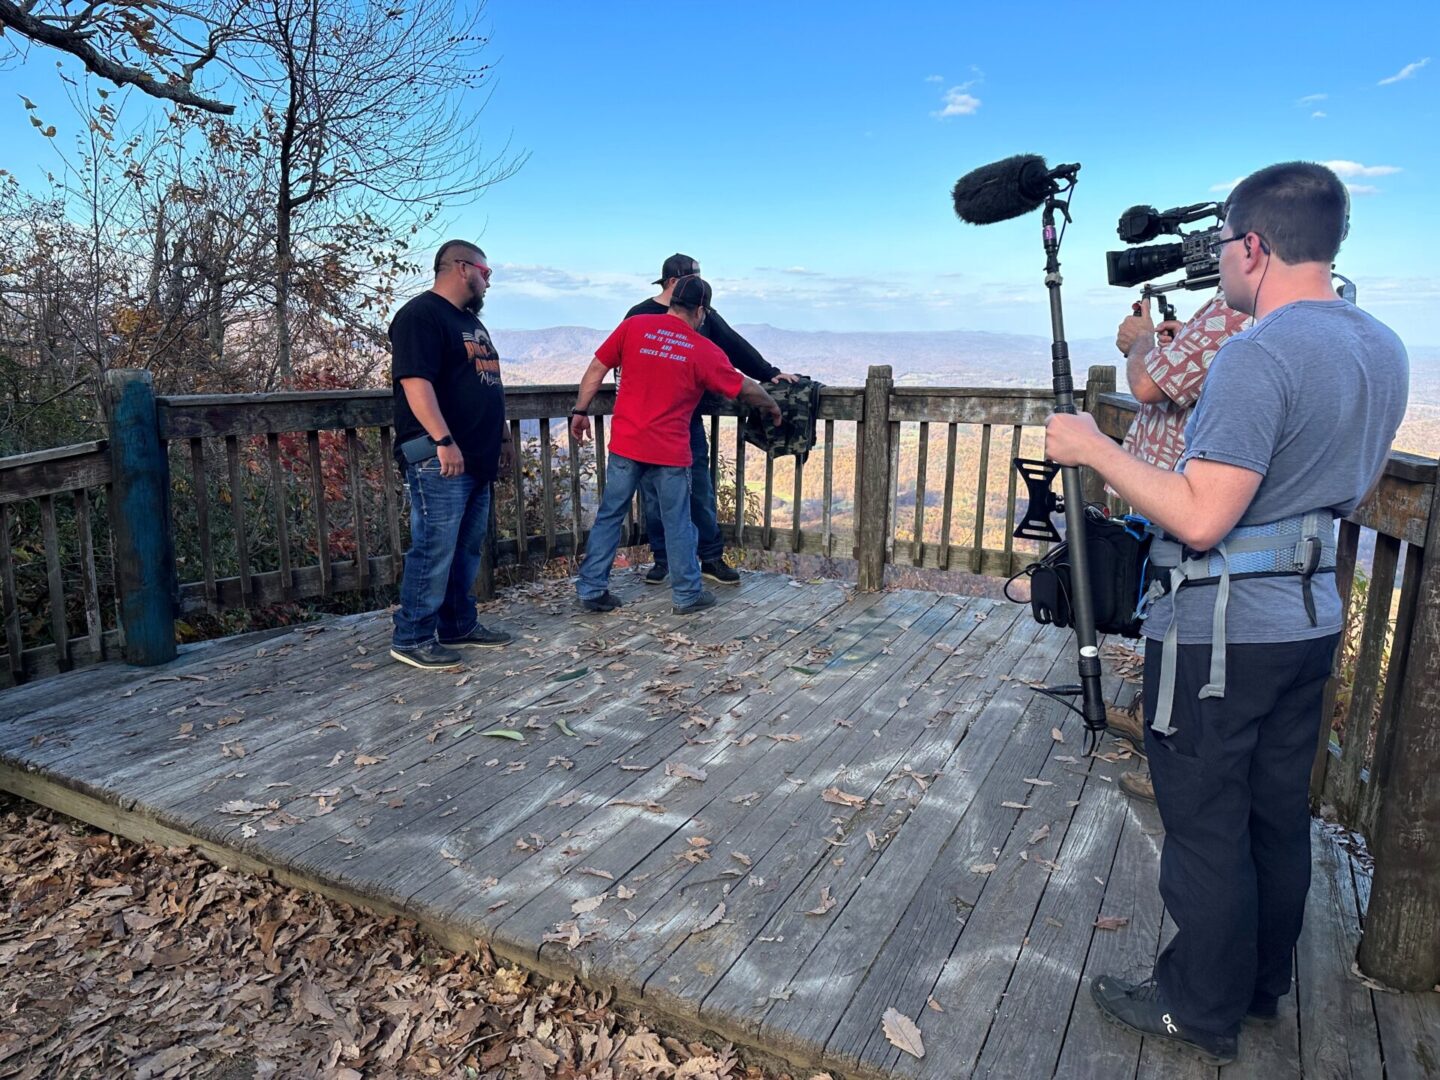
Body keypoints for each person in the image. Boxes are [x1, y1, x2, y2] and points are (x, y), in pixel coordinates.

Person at [1045, 162, 1408, 1065]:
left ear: (1255, 246)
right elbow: (1344, 487)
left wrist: (1092, 445)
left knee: (1206, 820)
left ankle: (1195, 1010)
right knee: (1275, 814)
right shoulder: (1383, 346)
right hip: (1311, 616)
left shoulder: (1259, 353)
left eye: (1223, 256)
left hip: (1220, 634)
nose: (1220, 274)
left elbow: (1204, 513)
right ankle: (1256, 987)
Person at [1105, 293, 1252, 802]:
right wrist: (1177, 341)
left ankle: (1169, 764)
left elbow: (1148, 384)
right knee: (1163, 615)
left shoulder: (1237, 312)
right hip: (1176, 498)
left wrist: (1139, 344)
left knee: (1178, 627)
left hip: (1184, 499)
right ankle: (1150, 719)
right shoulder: (1235, 317)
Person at [572, 275, 782, 614]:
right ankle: (686, 594)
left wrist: (580, 410)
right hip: (669, 451)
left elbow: (597, 367)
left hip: (625, 444)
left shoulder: (634, 327)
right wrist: (772, 405)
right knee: (678, 521)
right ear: (701, 311)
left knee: (610, 515)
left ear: (671, 302)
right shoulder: (702, 349)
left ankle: (592, 588)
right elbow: (743, 387)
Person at [625, 254, 798, 586]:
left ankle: (710, 558)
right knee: (652, 493)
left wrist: (770, 374)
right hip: (645, 423)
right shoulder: (640, 315)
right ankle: (663, 560)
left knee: (699, 489)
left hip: (684, 419)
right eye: (694, 279)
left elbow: (733, 344)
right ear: (674, 283)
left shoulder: (703, 314)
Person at [387, 240, 513, 670]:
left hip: (476, 457)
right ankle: (413, 636)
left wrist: (503, 441)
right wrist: (443, 440)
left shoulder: (470, 323)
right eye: (485, 270)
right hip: (439, 457)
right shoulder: (420, 316)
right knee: (434, 547)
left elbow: (488, 384)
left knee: (466, 548)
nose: (488, 279)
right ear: (461, 268)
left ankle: (458, 623)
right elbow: (414, 382)